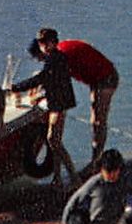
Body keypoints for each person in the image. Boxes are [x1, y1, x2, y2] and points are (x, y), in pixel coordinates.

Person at [29, 34, 119, 161]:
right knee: (95, 120)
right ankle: (95, 161)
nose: (43, 62)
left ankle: (96, 162)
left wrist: (42, 94)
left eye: (41, 59)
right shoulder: (57, 53)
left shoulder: (62, 56)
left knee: (98, 120)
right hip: (94, 78)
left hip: (106, 78)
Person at [9, 28, 79, 191]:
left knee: (53, 140)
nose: (42, 46)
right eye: (40, 43)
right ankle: (57, 178)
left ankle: (73, 177)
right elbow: (49, 80)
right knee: (54, 141)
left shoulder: (54, 59)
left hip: (59, 104)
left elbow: (42, 78)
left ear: (53, 43)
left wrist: (17, 88)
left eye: (45, 43)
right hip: (57, 101)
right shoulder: (55, 58)